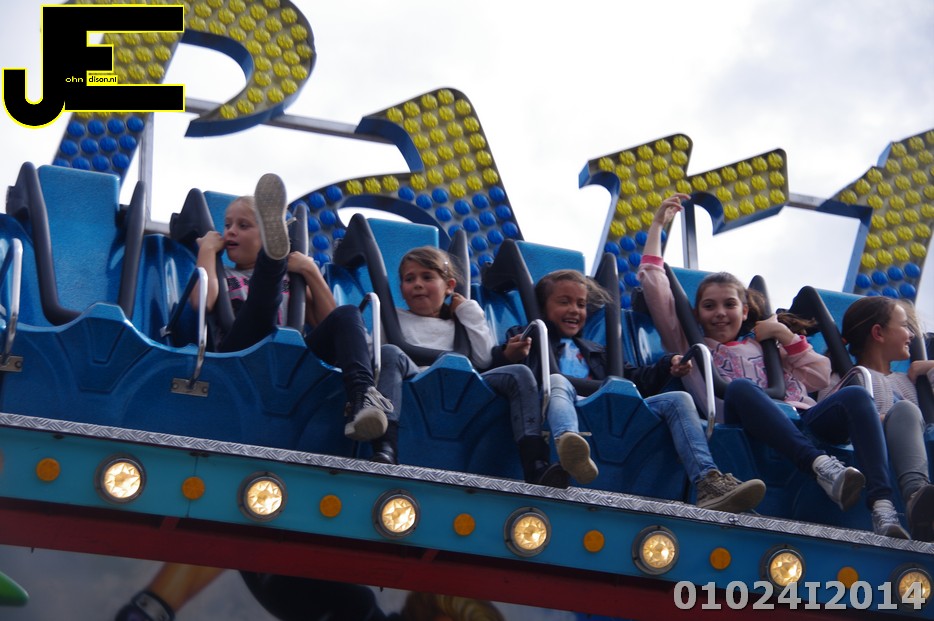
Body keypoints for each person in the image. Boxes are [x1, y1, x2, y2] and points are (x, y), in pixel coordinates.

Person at [637, 192, 910, 538]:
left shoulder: (765, 346)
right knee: (741, 387)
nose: (720, 313)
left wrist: (784, 335)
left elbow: (818, 376)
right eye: (709, 306)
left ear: (745, 311)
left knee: (857, 397)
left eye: (729, 304)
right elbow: (655, 286)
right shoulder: (693, 346)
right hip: (744, 421)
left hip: (800, 420)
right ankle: (821, 466)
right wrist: (657, 226)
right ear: (697, 314)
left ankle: (883, 507)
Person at [492, 268, 765, 513]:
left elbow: (635, 378)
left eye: (581, 304)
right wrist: (509, 355)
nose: (574, 310)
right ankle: (568, 444)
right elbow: (503, 375)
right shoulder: (529, 336)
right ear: (543, 306)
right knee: (558, 381)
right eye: (564, 302)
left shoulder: (597, 351)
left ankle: (707, 480)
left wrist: (667, 364)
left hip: (605, 406)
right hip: (560, 405)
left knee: (679, 399)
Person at [192, 173, 392, 446]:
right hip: (241, 353)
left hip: (291, 359)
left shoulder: (294, 283)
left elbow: (329, 322)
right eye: (227, 225)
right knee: (262, 302)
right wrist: (206, 251)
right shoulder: (223, 273)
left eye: (243, 225)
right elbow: (201, 303)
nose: (230, 232)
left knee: (348, 313)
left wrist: (311, 271)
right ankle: (272, 259)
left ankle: (363, 395)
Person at [377, 245, 568, 487]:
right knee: (390, 352)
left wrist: (468, 310)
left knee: (519, 373)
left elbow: (484, 359)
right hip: (416, 379)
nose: (417, 284)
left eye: (427, 277)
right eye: (409, 279)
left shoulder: (460, 320)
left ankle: (536, 463)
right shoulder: (393, 318)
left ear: (449, 286)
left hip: (465, 386)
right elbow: (377, 356)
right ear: (402, 290)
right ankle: (385, 446)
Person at [829, 295, 934, 540]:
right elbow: (832, 418)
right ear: (879, 333)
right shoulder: (844, 379)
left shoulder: (911, 382)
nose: (911, 335)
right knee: (905, 410)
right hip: (866, 457)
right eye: (905, 326)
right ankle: (916, 494)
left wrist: (929, 366)